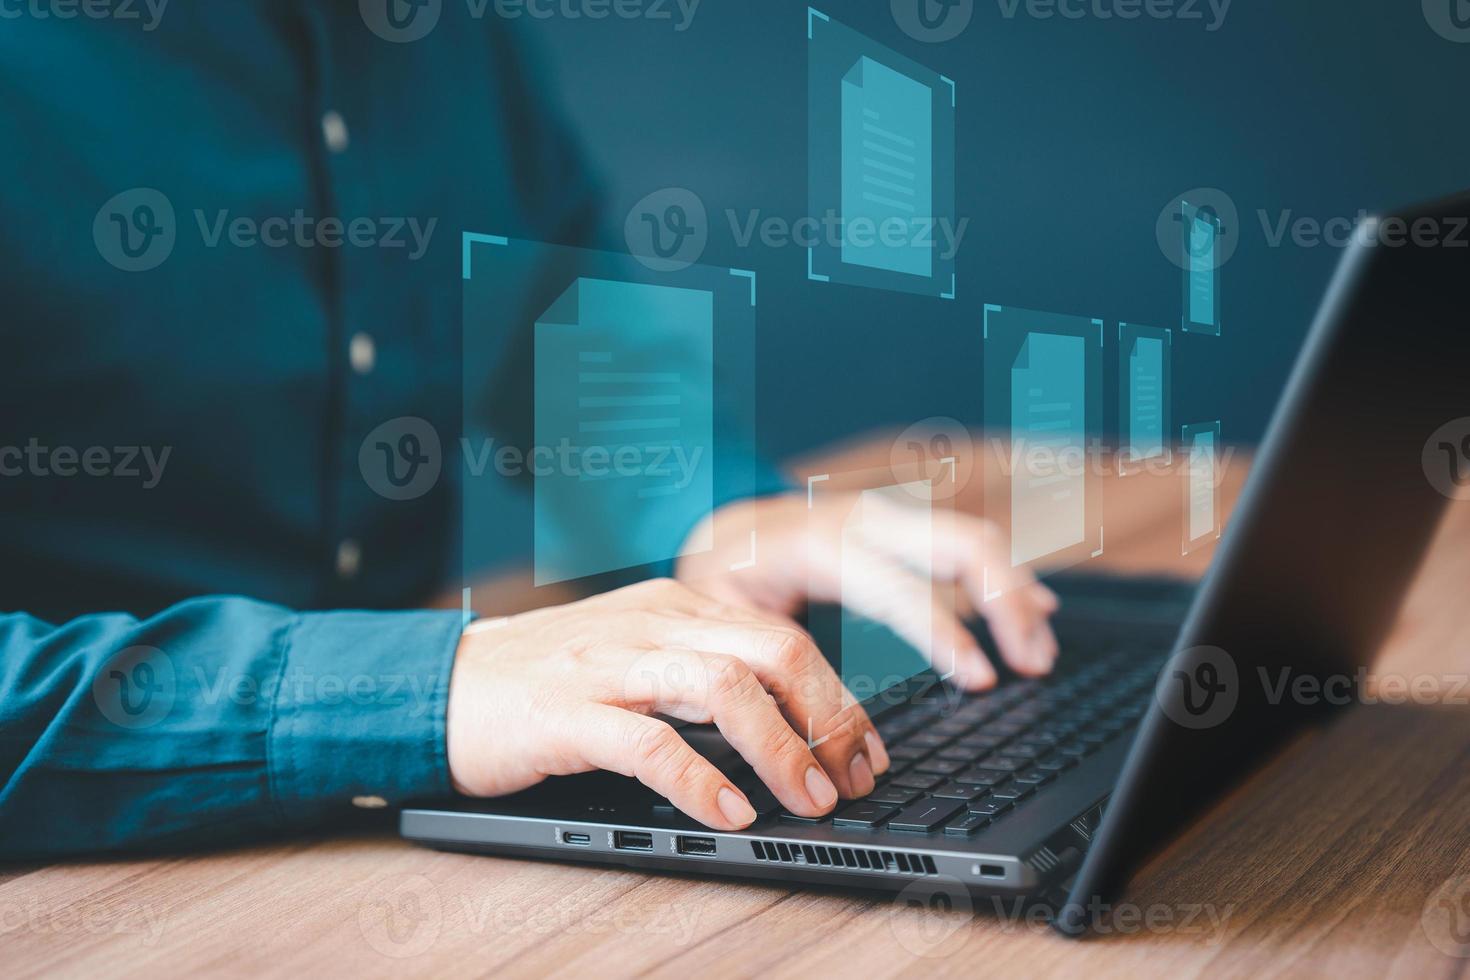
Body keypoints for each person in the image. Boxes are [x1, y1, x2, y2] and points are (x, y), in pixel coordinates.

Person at [0, 5, 1058, 860]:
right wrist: (423, 687)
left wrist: (714, 510)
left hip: (373, 847)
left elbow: (555, 335)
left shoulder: (442, 37)